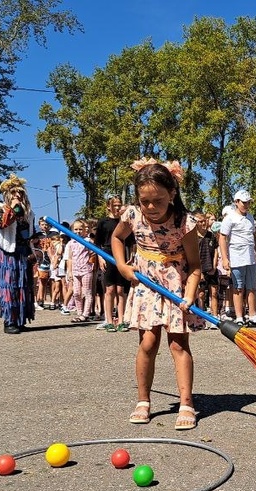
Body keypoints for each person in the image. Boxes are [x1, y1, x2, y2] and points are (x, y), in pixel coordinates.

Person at [112, 160, 203, 431]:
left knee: (178, 344)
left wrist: (188, 295)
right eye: (145, 201)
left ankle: (186, 403)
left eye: (158, 201)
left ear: (172, 194)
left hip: (176, 286)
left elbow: (196, 267)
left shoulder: (184, 222)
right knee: (148, 343)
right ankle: (143, 401)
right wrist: (121, 265)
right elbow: (117, 239)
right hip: (146, 284)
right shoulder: (132, 215)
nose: (150, 208)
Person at [0, 174, 37, 334]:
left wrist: (33, 251)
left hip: (23, 252)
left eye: (21, 192)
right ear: (7, 194)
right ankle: (9, 321)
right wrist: (14, 207)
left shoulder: (29, 213)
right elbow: (2, 223)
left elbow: (31, 234)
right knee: (9, 286)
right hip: (6, 254)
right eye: (14, 192)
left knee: (23, 287)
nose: (18, 195)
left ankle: (20, 319)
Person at [219, 190, 256, 324]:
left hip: (250, 257)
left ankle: (253, 315)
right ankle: (239, 316)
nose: (246, 205)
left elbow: (253, 237)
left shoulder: (250, 217)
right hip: (237, 257)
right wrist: (225, 259)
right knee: (238, 287)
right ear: (236, 202)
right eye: (244, 202)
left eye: (248, 202)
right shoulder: (230, 217)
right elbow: (222, 237)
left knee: (252, 286)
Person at [95, 197, 130, 331]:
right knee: (109, 289)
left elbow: (131, 241)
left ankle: (121, 320)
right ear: (108, 206)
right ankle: (109, 320)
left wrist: (131, 257)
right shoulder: (103, 222)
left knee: (121, 290)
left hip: (122, 254)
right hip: (107, 253)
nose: (117, 207)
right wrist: (100, 257)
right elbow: (97, 243)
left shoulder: (124, 221)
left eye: (119, 205)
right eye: (114, 205)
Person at [65, 219, 96, 322]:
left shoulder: (87, 241)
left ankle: (85, 314)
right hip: (75, 271)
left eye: (80, 229)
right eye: (76, 229)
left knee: (87, 291)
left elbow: (94, 252)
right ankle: (79, 312)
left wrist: (91, 261)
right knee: (77, 293)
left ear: (84, 230)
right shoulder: (70, 243)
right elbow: (70, 258)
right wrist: (69, 271)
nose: (78, 231)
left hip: (86, 270)